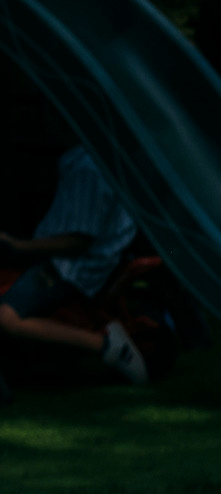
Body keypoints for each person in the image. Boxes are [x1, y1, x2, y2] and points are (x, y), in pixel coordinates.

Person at [0, 141, 146, 385]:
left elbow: (78, 242)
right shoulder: (86, 159)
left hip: (71, 267)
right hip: (69, 260)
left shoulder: (88, 168)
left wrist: (18, 246)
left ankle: (108, 346)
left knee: (4, 317)